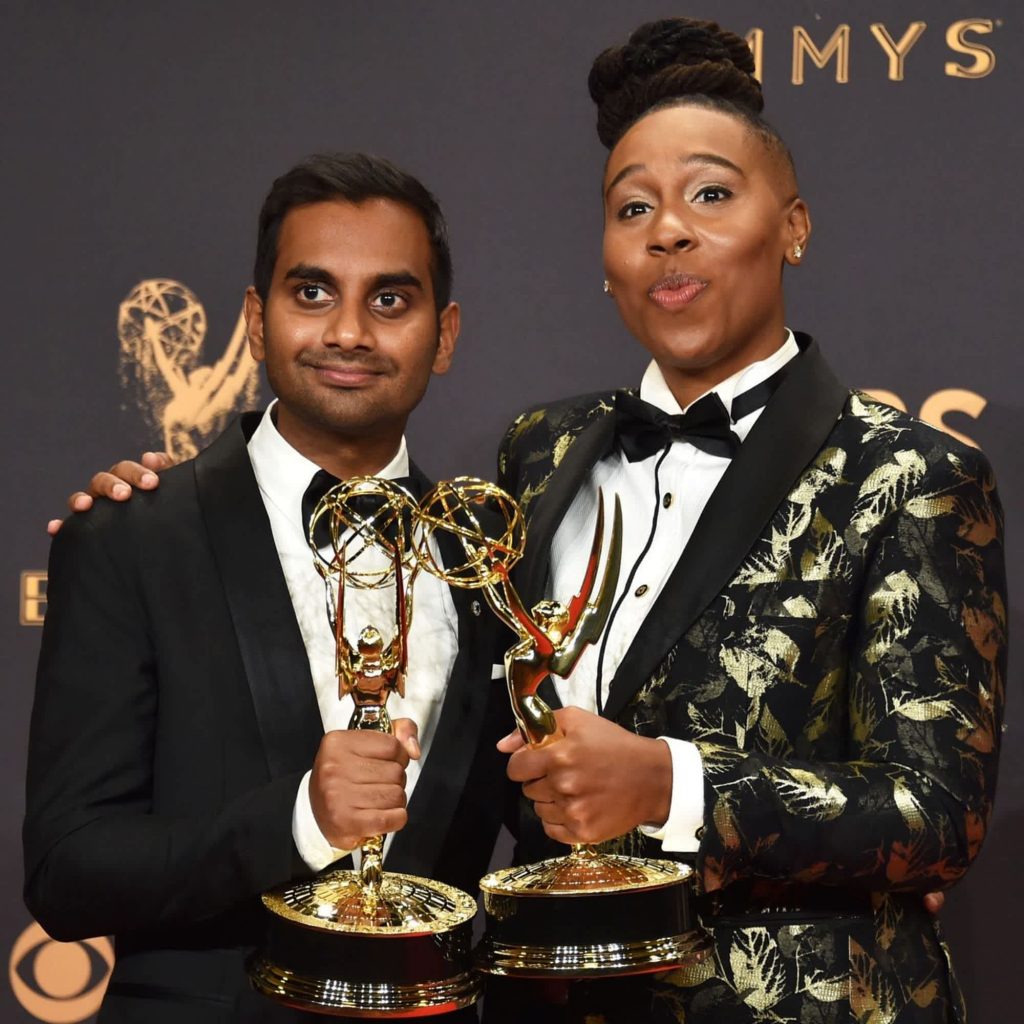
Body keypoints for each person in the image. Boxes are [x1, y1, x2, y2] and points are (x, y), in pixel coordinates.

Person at [488, 17, 1006, 1024]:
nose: (667, 231)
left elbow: (938, 810)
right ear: (606, 258)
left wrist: (670, 783)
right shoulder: (538, 450)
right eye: (632, 207)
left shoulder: (910, 473)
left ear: (794, 226)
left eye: (711, 194)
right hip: (553, 994)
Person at [24, 153, 508, 1023]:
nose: (349, 332)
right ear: (256, 319)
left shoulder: (488, 557)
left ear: (444, 335)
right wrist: (300, 820)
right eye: (312, 293)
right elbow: (68, 871)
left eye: (390, 300)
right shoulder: (132, 535)